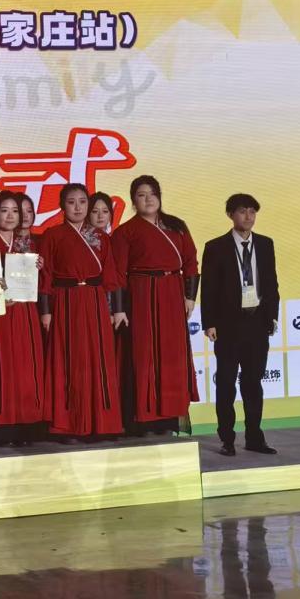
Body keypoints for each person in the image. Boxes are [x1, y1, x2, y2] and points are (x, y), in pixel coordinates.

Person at [111, 176, 200, 436]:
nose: (148, 199)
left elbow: (191, 261)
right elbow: (118, 274)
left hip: (172, 292)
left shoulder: (177, 226)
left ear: (159, 196)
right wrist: (119, 308)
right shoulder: (125, 232)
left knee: (172, 355)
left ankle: (169, 417)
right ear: (133, 200)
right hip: (141, 294)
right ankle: (144, 418)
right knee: (145, 353)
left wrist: (190, 296)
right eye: (141, 195)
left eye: (152, 194)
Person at [39, 184, 122, 440]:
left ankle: (101, 423)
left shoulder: (101, 238)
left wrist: (115, 310)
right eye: (71, 202)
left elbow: (111, 276)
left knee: (98, 360)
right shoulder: (52, 235)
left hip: (95, 301)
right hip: (65, 300)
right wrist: (46, 311)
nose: (77, 207)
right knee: (69, 359)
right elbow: (45, 276)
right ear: (62, 206)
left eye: (82, 202)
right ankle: (69, 424)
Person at [201, 193, 279, 456]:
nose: (248, 216)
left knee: (253, 383)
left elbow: (272, 283)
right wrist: (209, 322)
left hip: (257, 323)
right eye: (243, 211)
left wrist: (272, 316)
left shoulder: (265, 244)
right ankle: (227, 439)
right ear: (230, 215)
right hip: (227, 325)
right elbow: (208, 288)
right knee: (225, 383)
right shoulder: (215, 247)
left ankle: (255, 438)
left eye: (252, 212)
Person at [0, 191, 45, 443]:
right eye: (4, 210)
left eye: (15, 211)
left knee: (27, 366)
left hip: (25, 312)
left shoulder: (29, 246)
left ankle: (28, 423)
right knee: (1, 365)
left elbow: (41, 285)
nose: (10, 216)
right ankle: (1, 425)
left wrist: (39, 268)